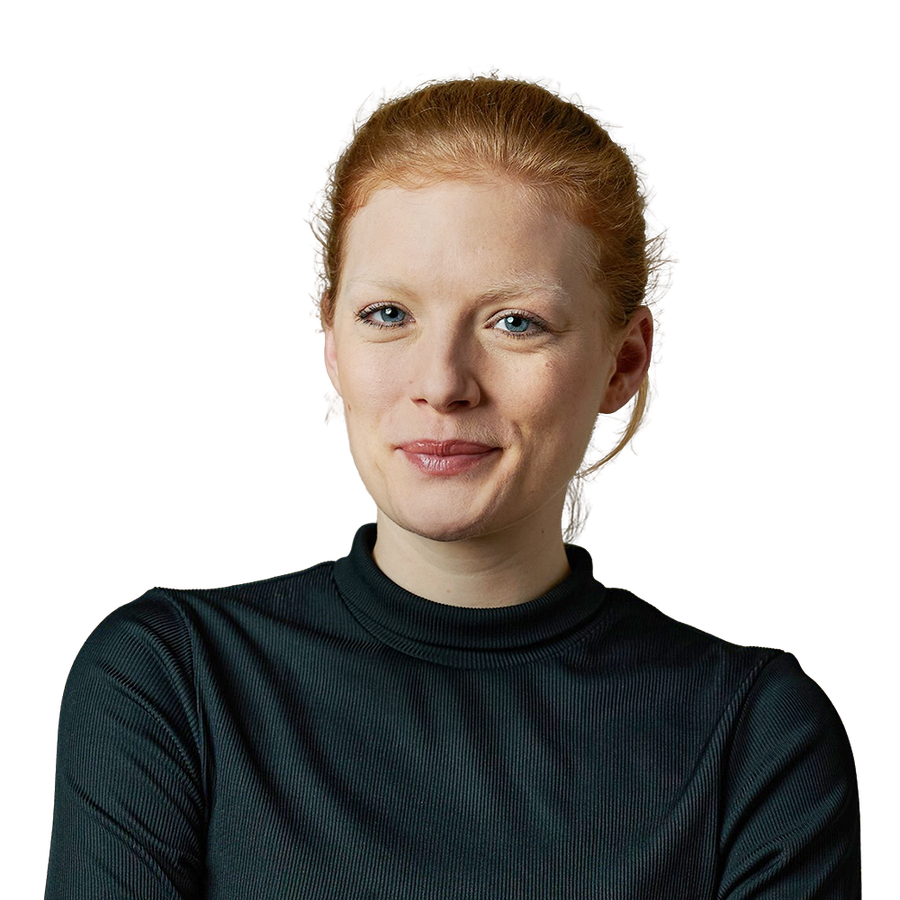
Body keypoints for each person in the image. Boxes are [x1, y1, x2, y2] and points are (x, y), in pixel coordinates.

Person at [45, 67, 860, 898]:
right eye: (388, 315)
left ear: (623, 362)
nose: (442, 383)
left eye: (515, 322)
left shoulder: (755, 737)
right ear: (331, 344)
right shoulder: (171, 680)